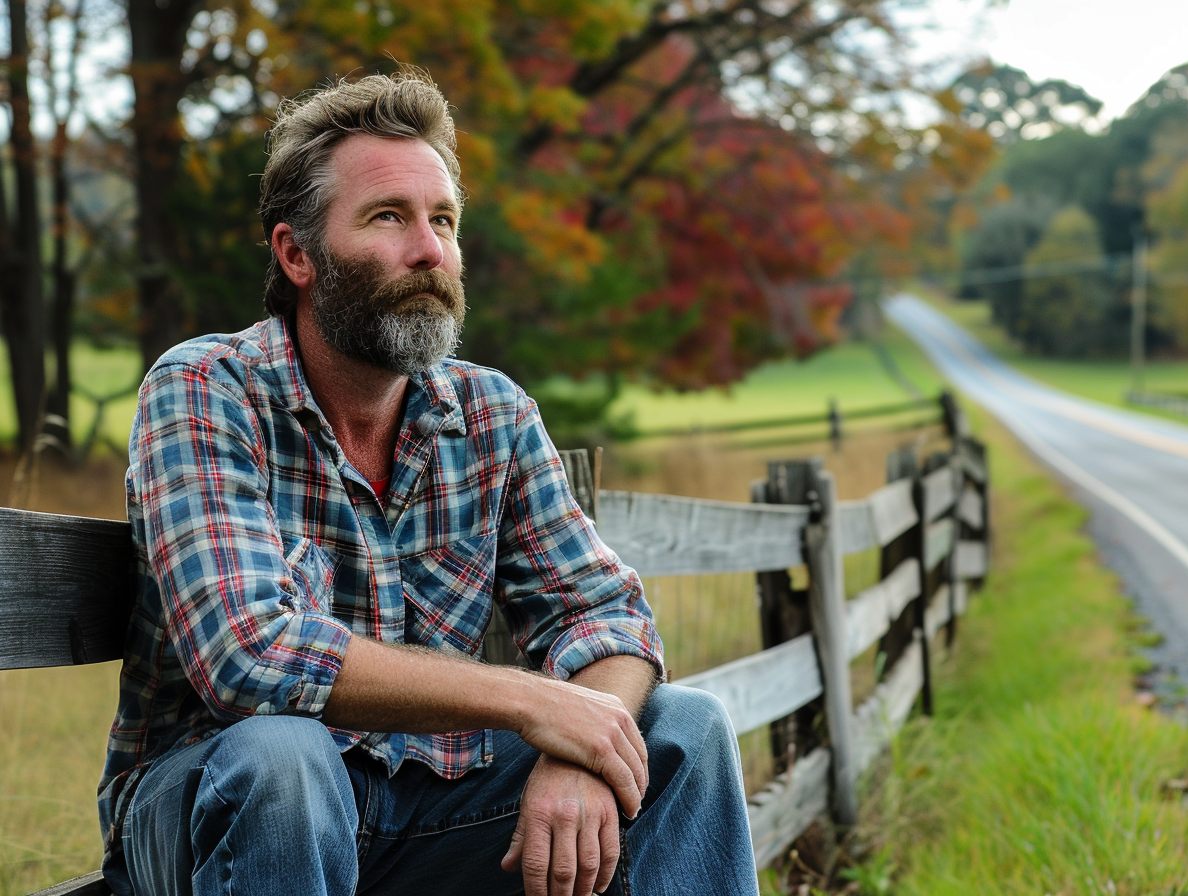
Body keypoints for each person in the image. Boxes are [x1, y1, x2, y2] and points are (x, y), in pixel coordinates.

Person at [97, 68, 758, 896]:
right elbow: (251, 655)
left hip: (430, 810)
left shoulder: (493, 413)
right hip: (211, 810)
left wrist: (583, 743)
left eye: (443, 220)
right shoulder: (206, 391)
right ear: (296, 253)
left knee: (683, 731)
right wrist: (530, 704)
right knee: (284, 754)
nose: (429, 249)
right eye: (388, 217)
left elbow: (605, 614)